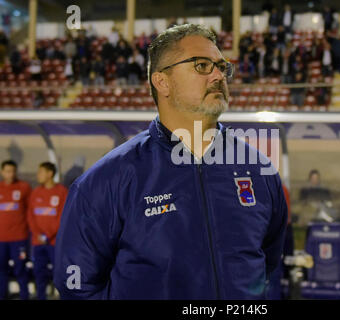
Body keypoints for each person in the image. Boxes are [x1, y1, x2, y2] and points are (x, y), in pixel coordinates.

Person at [54, 24, 288, 300]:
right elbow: (76, 285)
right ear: (161, 82)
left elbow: (268, 267)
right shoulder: (107, 180)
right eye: (202, 65)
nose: (218, 75)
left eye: (221, 66)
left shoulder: (259, 171)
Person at [27, 162, 67, 300]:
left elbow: (62, 216)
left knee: (59, 271)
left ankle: (61, 295)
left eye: (41, 172)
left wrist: (47, 235)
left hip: (54, 241)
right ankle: (41, 296)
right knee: (39, 271)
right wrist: (38, 234)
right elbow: (30, 215)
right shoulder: (36, 192)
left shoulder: (62, 192)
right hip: (38, 242)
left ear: (50, 174)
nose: (38, 175)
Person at [0, 160, 31, 300]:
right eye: (7, 171)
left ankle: (24, 296)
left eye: (13, 171)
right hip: (1, 239)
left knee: (20, 269)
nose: (10, 174)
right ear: (2, 172)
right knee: (1, 270)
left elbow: (31, 210)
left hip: (19, 238)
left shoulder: (23, 188)